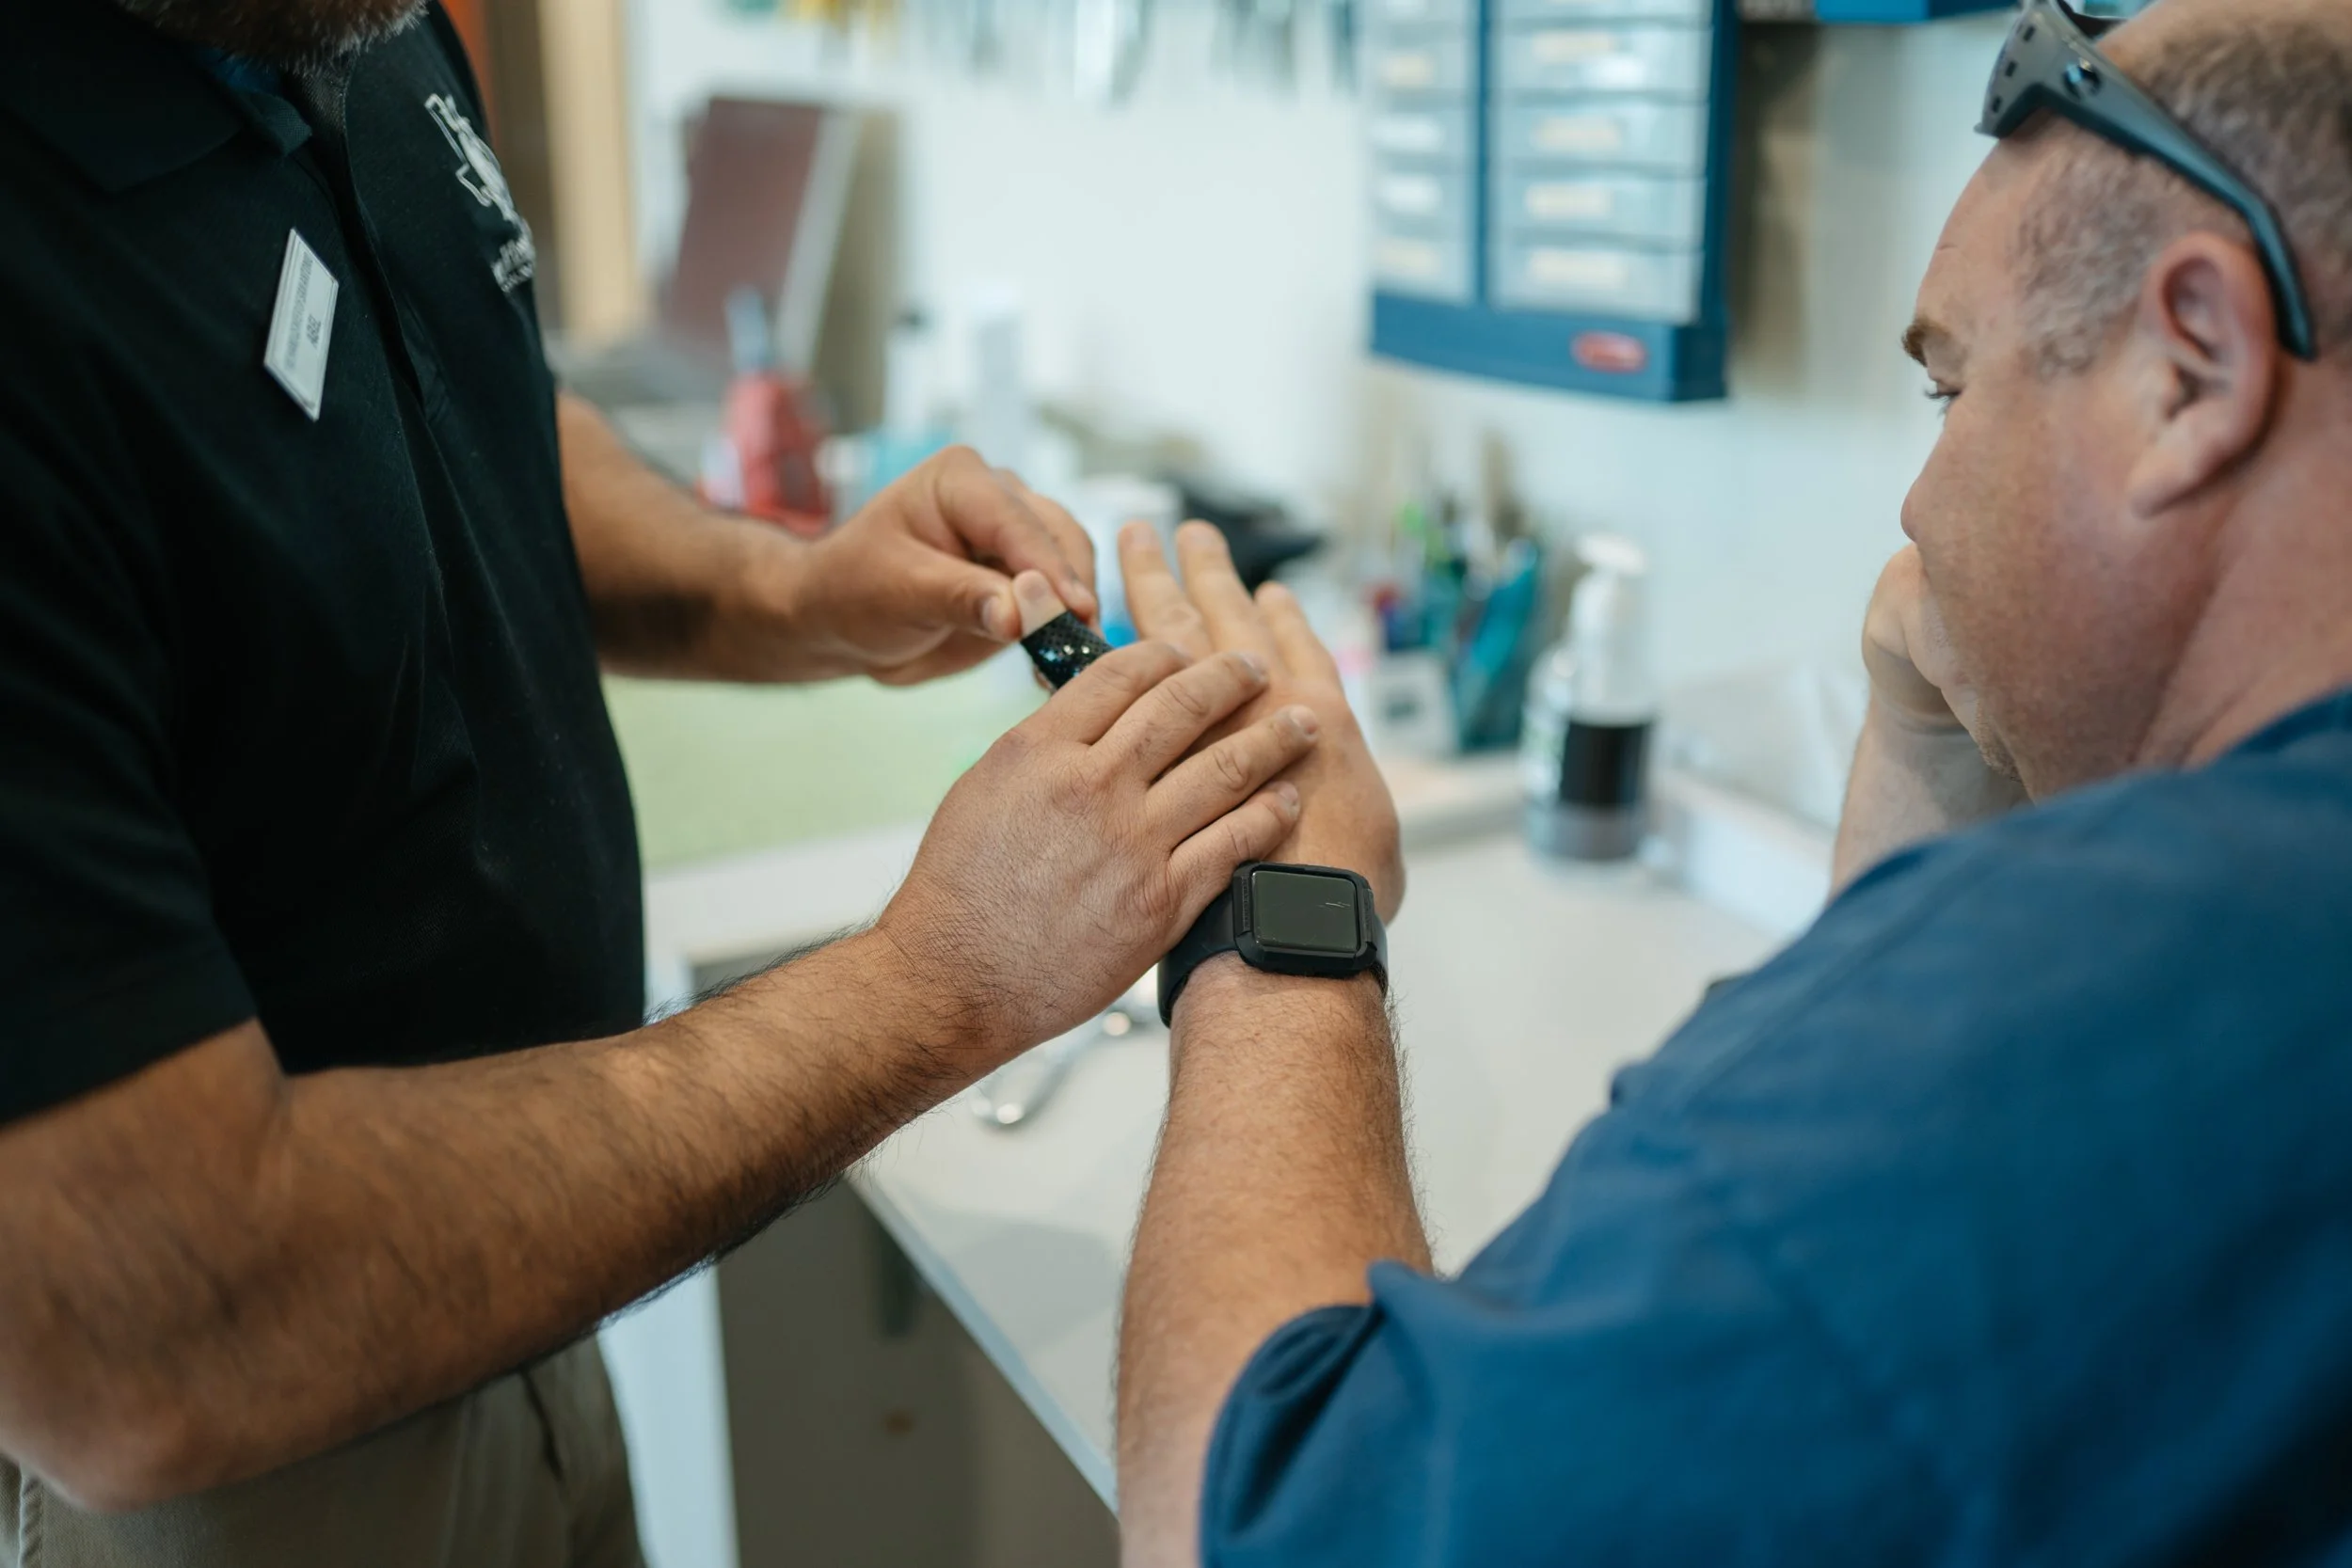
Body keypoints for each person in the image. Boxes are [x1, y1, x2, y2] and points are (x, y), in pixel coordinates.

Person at [0, 0, 1334, 1561]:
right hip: (244, 1459)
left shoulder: (337, 25)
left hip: (531, 1296)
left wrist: (776, 590)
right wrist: (945, 975)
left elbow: (446, 377)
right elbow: (156, 1335)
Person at [1113, 0, 2352, 1560]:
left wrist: (1283, 896)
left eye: (1950, 388)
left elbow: (1242, 1519)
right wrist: (1921, 736)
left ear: (2192, 366)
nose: (1916, 493)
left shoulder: (2120, 1011)